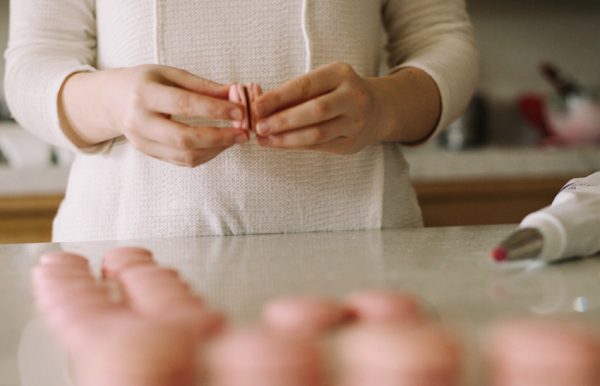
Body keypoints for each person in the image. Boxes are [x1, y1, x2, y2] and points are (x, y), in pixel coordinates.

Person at [5, 0, 479, 242]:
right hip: (125, 263)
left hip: (365, 252)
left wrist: (382, 106)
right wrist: (114, 103)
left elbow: (443, 39)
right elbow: (31, 67)